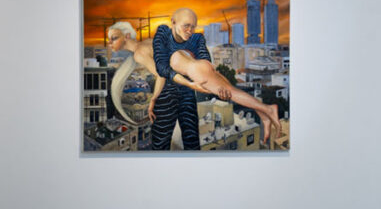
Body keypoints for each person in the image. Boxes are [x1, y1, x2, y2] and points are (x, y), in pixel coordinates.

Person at [150, 8, 282, 149]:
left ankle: (266, 110)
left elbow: (207, 65)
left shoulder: (197, 38)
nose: (190, 30)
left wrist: (210, 84)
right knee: (160, 142)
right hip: (169, 93)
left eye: (193, 26)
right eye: (186, 25)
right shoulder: (163, 33)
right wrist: (189, 84)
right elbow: (162, 68)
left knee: (192, 141)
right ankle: (264, 110)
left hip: (191, 87)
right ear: (173, 22)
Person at [103, 21, 158, 126]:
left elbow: (161, 75)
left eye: (114, 38)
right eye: (109, 39)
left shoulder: (139, 53)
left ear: (127, 36)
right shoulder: (143, 47)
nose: (109, 43)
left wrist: (153, 99)